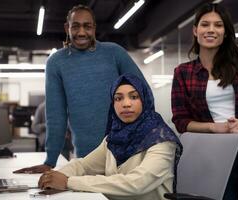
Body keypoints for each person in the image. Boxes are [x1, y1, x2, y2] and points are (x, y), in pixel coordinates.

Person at [13, 5, 146, 174]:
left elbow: (144, 94)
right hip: (87, 159)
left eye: (87, 26)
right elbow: (56, 115)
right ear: (66, 28)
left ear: (94, 28)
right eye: (75, 26)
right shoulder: (56, 62)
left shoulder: (114, 53)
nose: (81, 32)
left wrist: (142, 137)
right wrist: (50, 160)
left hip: (126, 152)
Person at [38, 73, 182, 200]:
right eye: (118, 99)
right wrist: (53, 178)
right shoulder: (113, 139)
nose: (126, 104)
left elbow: (137, 183)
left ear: (145, 100)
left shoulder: (162, 139)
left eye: (134, 97)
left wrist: (68, 182)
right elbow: (83, 165)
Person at [171, 3, 238, 199]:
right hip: (213, 156)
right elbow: (181, 121)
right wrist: (214, 128)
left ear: (226, 32)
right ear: (196, 31)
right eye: (205, 24)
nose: (211, 30)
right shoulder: (183, 72)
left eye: (218, 25)